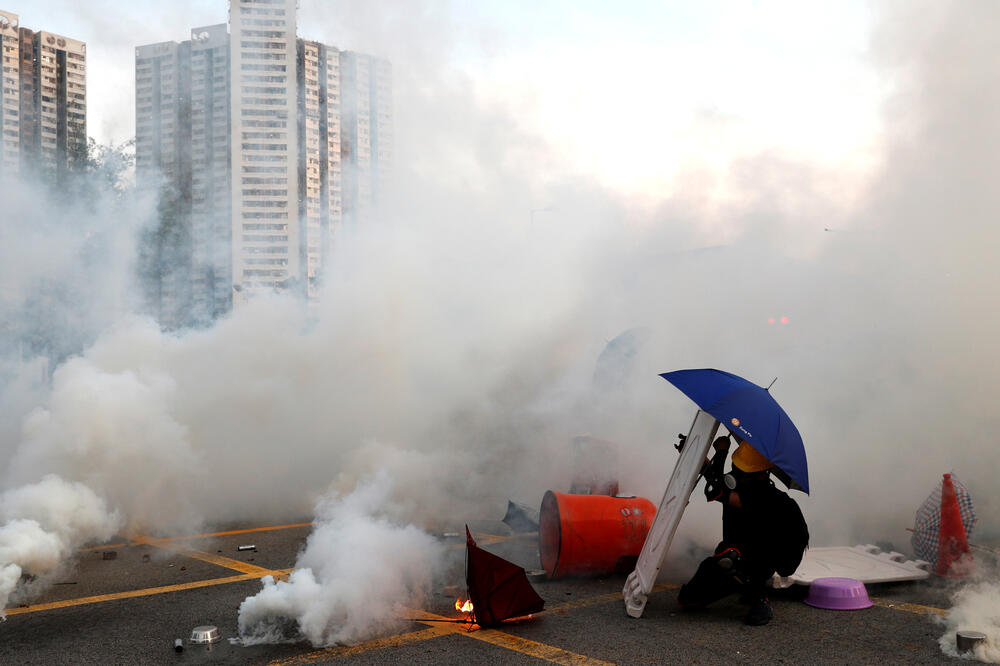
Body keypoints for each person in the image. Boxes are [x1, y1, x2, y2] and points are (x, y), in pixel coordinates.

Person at [677, 433, 809, 626]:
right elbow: (717, 479)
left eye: (741, 471)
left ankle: (758, 597)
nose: (735, 474)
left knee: (730, 555)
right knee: (687, 600)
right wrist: (693, 452)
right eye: (736, 468)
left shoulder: (767, 498)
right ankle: (744, 585)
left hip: (760, 560)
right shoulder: (750, 487)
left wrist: (721, 452)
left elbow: (717, 489)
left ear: (761, 474)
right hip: (748, 554)